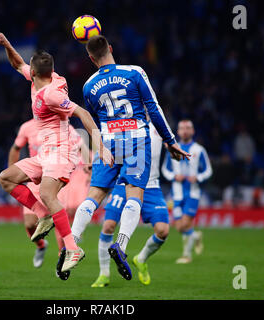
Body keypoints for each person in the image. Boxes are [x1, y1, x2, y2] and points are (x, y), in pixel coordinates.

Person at [66, 35, 190, 281]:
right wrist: (170, 140)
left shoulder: (89, 85)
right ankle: (120, 246)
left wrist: (97, 149)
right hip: (136, 140)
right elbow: (153, 108)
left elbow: (92, 121)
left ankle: (71, 244)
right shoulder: (134, 72)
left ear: (91, 58)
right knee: (134, 193)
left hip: (108, 143)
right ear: (110, 48)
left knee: (94, 196)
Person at [0, 31, 114, 273]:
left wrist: (99, 145)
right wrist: (6, 42)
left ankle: (72, 248)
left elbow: (84, 113)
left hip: (62, 151)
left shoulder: (52, 94)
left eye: (29, 69)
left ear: (34, 73)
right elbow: (17, 64)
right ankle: (42, 215)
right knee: (6, 178)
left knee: (48, 193)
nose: (27, 70)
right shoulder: (46, 79)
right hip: (45, 154)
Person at [91, 123, 170, 287]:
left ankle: (141, 259)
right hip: (125, 182)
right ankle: (104, 274)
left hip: (151, 185)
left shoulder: (158, 124)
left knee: (163, 231)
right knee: (108, 226)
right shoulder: (125, 122)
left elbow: (171, 143)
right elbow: (111, 146)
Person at [8, 119, 91, 271]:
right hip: (35, 175)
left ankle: (63, 256)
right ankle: (41, 246)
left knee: (58, 217)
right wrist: (14, 169)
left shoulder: (62, 124)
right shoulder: (27, 127)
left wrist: (87, 166)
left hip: (54, 174)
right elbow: (15, 148)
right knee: (29, 224)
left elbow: (80, 145)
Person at [162, 120, 212, 264]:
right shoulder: (173, 149)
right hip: (177, 193)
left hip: (193, 193)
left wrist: (198, 177)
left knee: (185, 224)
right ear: (177, 132)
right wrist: (173, 176)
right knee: (179, 227)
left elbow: (208, 170)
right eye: (182, 128)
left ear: (193, 131)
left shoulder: (199, 150)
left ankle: (186, 255)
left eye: (188, 128)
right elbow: (165, 169)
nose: (185, 130)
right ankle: (196, 236)